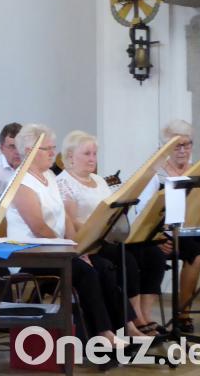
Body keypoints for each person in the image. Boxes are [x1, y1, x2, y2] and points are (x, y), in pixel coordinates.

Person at [7, 124, 149, 341]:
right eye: (47, 149)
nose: (53, 153)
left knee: (104, 266)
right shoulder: (21, 182)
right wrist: (71, 251)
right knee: (87, 272)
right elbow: (39, 228)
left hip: (55, 250)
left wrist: (79, 247)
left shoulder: (49, 178)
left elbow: (64, 219)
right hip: (30, 253)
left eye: (53, 147)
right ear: (29, 152)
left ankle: (126, 328)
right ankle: (103, 333)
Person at [57, 130, 165, 336]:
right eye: (87, 154)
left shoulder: (98, 180)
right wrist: (97, 229)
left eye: (94, 154)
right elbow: (70, 222)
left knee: (136, 259)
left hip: (104, 238)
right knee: (118, 264)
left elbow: (111, 212)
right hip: (86, 242)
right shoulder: (64, 183)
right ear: (70, 156)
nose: (92, 159)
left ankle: (133, 322)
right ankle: (126, 325)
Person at [136, 120, 200, 334]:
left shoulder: (199, 171)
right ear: (166, 147)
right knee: (196, 253)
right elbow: (144, 212)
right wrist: (157, 238)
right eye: (177, 145)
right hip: (167, 233)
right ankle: (183, 314)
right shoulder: (156, 174)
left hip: (195, 229)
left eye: (187, 144)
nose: (183, 150)